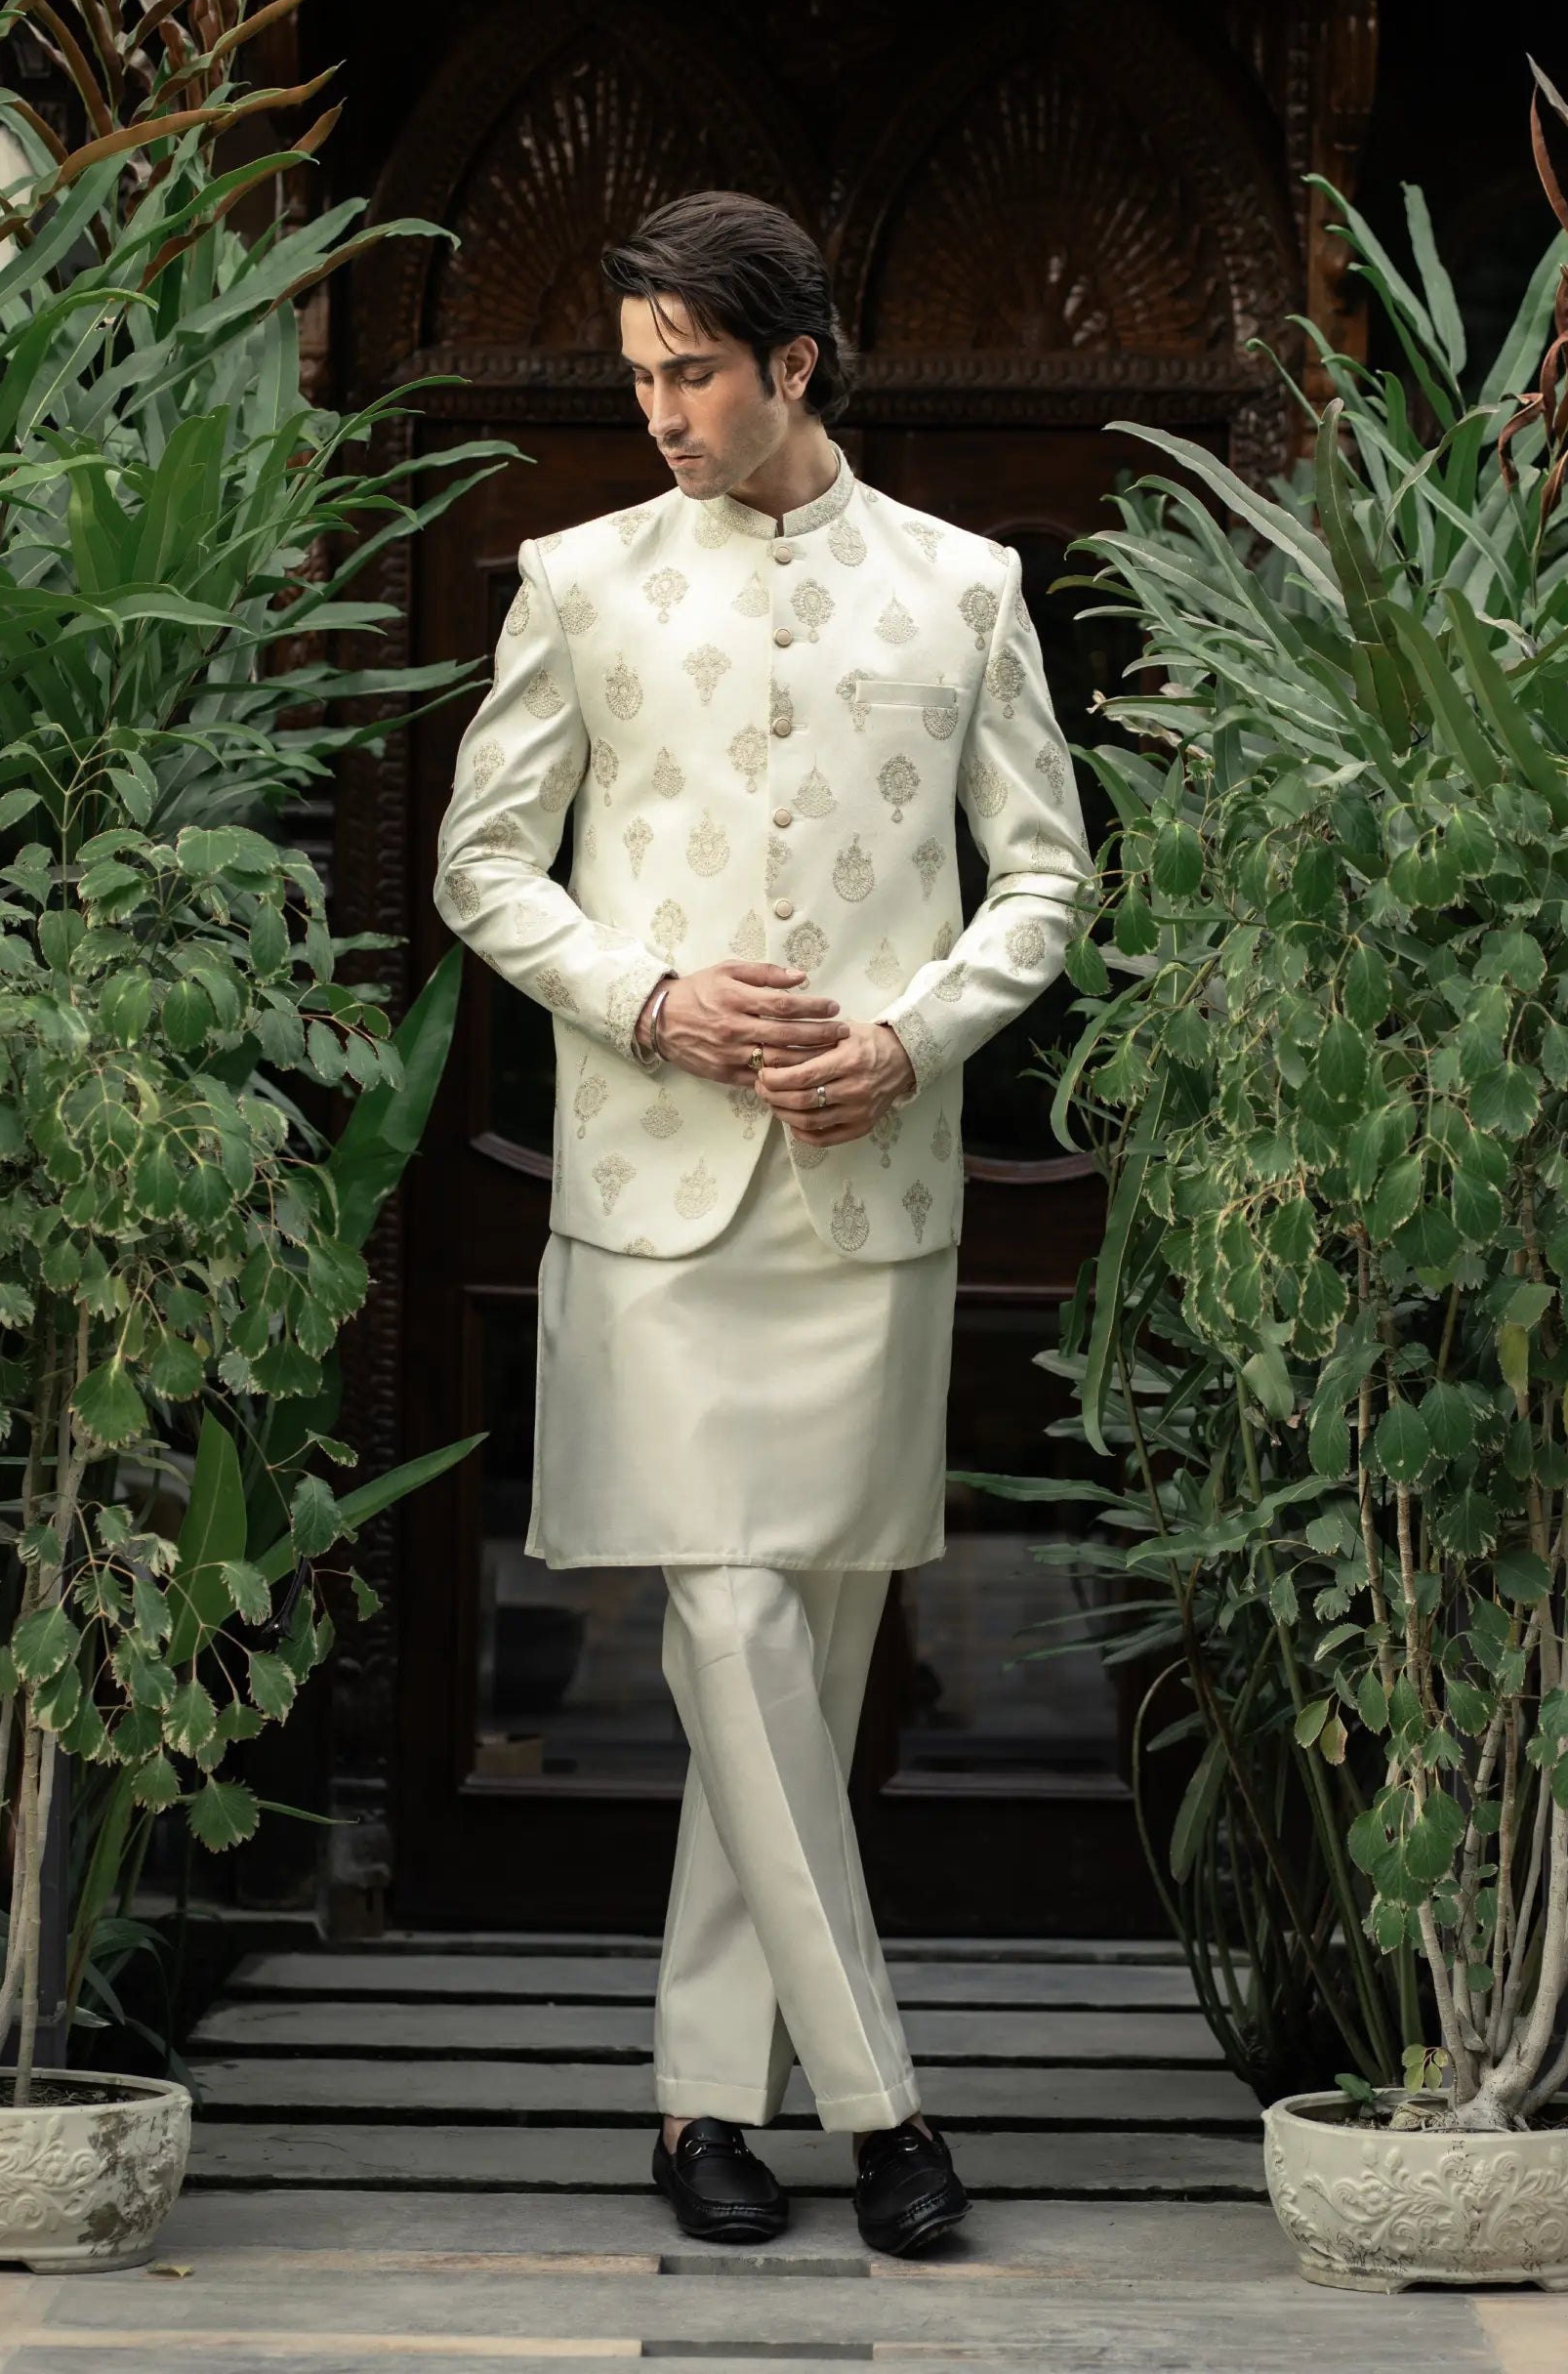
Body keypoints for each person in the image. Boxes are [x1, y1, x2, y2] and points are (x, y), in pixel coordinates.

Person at [434, 191, 1092, 2257]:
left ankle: (705, 2105)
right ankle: (887, 2109)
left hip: (866, 1196)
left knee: (800, 1666)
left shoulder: (966, 586)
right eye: (637, 373)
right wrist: (645, 998)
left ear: (794, 363)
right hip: (656, 1201)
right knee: (727, 1621)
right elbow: (482, 864)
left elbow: (1046, 881)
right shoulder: (577, 581)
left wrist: (910, 1039)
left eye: (691, 372)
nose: (656, 411)